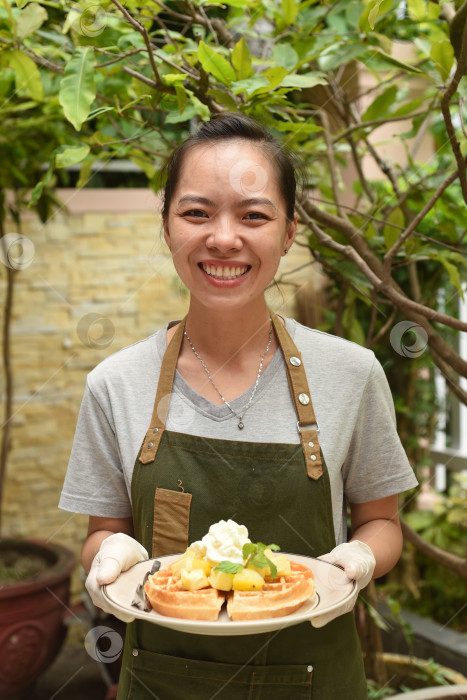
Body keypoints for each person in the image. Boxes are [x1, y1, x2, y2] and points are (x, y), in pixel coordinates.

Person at [59, 112, 418, 700]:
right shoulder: (115, 382)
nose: (224, 238)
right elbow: (104, 533)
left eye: (254, 215)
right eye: (196, 213)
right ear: (167, 225)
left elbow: (382, 522)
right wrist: (110, 555)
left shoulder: (351, 374)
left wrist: (358, 557)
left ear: (290, 231)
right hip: (161, 682)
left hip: (315, 681)